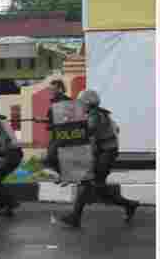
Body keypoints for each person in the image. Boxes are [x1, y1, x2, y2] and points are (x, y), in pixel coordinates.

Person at [56, 89, 139, 228]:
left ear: (88, 103)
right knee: (94, 186)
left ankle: (75, 217)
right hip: (102, 152)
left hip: (107, 152)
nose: (80, 105)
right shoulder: (97, 113)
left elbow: (90, 130)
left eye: (81, 103)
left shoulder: (95, 114)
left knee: (93, 184)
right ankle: (129, 205)